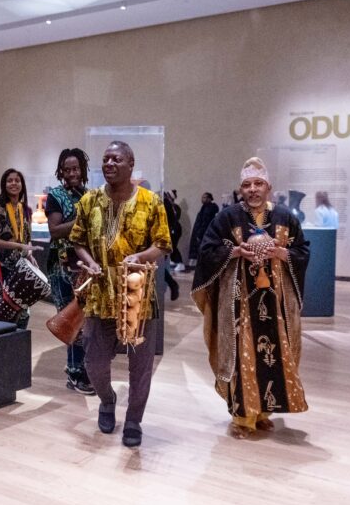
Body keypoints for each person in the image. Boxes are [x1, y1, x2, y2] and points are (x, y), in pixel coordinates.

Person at [192, 157, 310, 439]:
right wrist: (234, 252)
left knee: (275, 357)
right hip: (239, 306)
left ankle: (264, 413)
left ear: (269, 187)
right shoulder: (227, 217)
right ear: (240, 189)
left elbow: (303, 251)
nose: (253, 189)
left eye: (258, 184)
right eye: (247, 185)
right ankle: (243, 418)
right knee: (242, 359)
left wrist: (282, 254)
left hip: (276, 307)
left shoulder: (285, 218)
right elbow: (207, 250)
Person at [70, 141, 172, 448]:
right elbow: (77, 240)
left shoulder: (151, 201)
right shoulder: (89, 202)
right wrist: (88, 262)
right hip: (100, 294)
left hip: (139, 297)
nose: (109, 164)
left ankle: (133, 421)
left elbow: (164, 244)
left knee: (140, 366)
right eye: (105, 159)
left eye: (116, 159)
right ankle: (107, 399)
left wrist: (141, 257)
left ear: (130, 164)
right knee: (94, 362)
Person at [46, 147, 94, 395]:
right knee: (71, 320)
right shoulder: (55, 195)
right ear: (61, 172)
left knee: (85, 322)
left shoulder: (87, 194)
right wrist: (83, 222)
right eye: (67, 169)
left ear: (82, 170)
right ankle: (75, 373)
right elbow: (54, 230)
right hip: (62, 267)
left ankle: (83, 370)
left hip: (84, 266)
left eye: (75, 168)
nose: (72, 173)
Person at [0, 168, 37, 329]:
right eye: (9, 180)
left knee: (22, 311)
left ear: (22, 184)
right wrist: (19, 246)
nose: (13, 183)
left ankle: (17, 346)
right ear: (4, 184)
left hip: (18, 267)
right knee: (1, 311)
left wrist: (29, 254)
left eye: (17, 180)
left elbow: (26, 239)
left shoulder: (25, 209)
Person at [188, 192, 219, 270]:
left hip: (203, 233)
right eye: (202, 197)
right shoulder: (205, 207)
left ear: (209, 198)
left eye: (205, 197)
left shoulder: (209, 209)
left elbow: (205, 223)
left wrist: (200, 234)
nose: (203, 199)